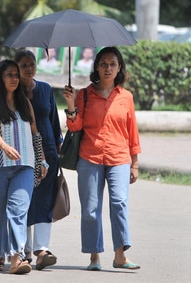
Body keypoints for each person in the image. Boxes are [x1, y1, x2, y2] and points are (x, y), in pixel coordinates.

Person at [62, 46, 141, 271]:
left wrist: (134, 163)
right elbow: (75, 126)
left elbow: (132, 131)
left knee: (119, 203)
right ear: (96, 66)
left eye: (112, 64)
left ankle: (120, 256)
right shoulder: (85, 94)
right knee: (90, 209)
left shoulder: (126, 97)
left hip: (119, 158)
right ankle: (94, 256)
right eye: (104, 64)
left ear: (119, 68)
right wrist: (70, 103)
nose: (108, 68)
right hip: (90, 157)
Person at [0, 59, 49, 274]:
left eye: (16, 75)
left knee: (18, 210)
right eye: (9, 75)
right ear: (0, 78)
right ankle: (0, 254)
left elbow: (35, 134)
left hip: (24, 166)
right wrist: (4, 146)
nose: (14, 78)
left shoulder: (25, 104)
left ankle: (16, 258)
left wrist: (42, 160)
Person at [14, 49, 63, 271]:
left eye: (31, 64)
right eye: (23, 65)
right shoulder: (12, 91)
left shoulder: (45, 89)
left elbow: (53, 120)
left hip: (49, 151)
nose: (28, 68)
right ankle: (23, 250)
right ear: (16, 68)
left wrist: (60, 145)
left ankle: (41, 250)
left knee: (44, 200)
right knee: (24, 199)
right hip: (22, 151)